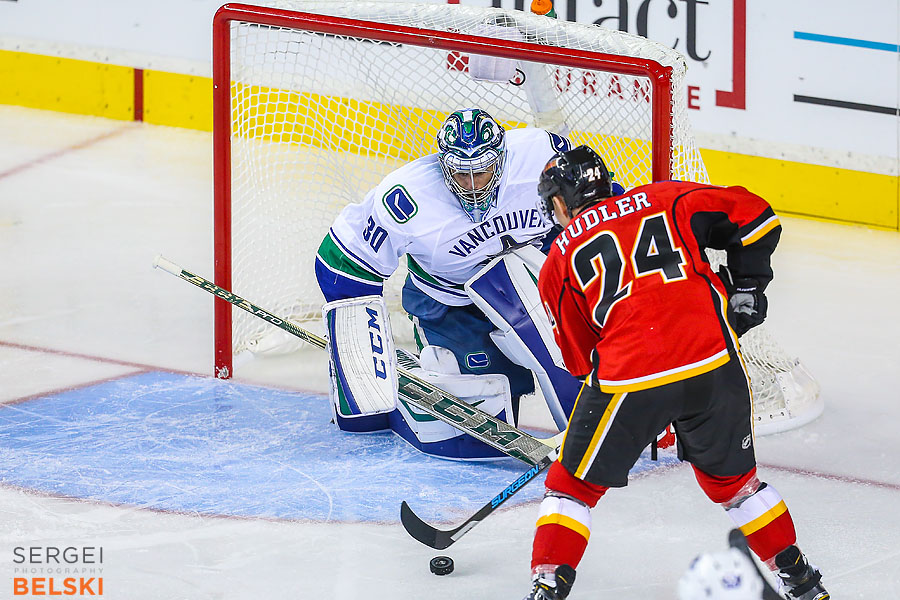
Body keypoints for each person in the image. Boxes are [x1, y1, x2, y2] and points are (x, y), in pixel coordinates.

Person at [522, 145, 829, 600]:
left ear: (560, 203)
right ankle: (801, 582)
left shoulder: (559, 259)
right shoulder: (664, 198)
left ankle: (548, 584)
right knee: (736, 486)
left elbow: (580, 360)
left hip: (630, 378)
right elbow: (756, 215)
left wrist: (646, 407)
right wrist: (747, 287)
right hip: (715, 363)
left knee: (571, 488)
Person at [315, 108, 596, 460]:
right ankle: (406, 379)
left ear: (501, 159)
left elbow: (600, 210)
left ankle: (596, 419)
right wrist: (359, 359)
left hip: (531, 286)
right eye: (462, 174)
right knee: (473, 433)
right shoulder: (408, 197)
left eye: (483, 170)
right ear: (444, 166)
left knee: (569, 353)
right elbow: (341, 264)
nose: (474, 184)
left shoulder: (540, 156)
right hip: (450, 305)